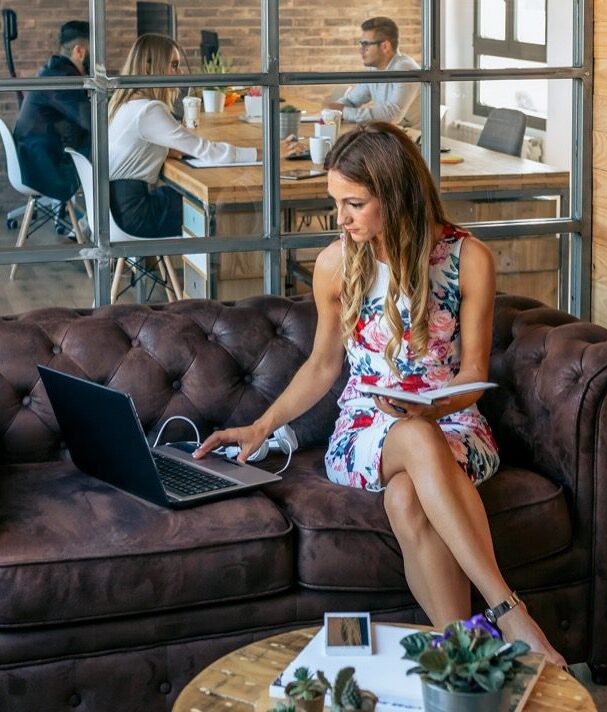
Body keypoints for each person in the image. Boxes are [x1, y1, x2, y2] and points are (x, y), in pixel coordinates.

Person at [194, 122, 565, 665]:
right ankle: (508, 610)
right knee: (412, 437)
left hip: (455, 424)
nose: (340, 219)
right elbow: (323, 366)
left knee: (405, 496)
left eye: (354, 204)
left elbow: (473, 373)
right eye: (336, 203)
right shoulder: (335, 264)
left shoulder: (469, 259)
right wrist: (261, 425)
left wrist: (436, 405)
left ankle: (464, 664)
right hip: (366, 430)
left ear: (393, 195)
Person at [108, 34, 305, 237]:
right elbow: (207, 151)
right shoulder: (148, 110)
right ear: (150, 68)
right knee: (223, 204)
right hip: (138, 215)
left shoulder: (126, 102)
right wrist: (269, 153)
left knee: (210, 198)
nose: (180, 72)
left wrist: (165, 151)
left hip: (119, 210)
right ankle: (252, 264)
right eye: (174, 65)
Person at [13, 21, 91, 203]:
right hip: (43, 168)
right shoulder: (62, 80)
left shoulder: (54, 71)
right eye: (96, 51)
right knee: (106, 142)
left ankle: (92, 219)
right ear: (79, 52)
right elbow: (92, 121)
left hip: (35, 160)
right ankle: (101, 220)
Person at [323, 16, 420, 129]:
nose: (361, 50)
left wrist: (343, 111)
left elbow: (393, 115)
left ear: (385, 46)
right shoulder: (374, 70)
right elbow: (352, 100)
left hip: (415, 141)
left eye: (365, 44)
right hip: (391, 135)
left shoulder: (405, 69)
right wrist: (333, 112)